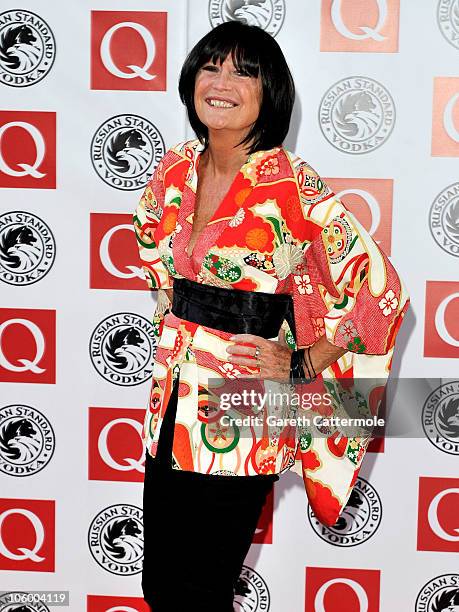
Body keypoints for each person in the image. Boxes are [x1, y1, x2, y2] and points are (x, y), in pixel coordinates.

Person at [133, 20, 409, 612]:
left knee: (201, 591)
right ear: (191, 82)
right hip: (169, 400)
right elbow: (157, 261)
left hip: (244, 405)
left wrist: (306, 359)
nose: (221, 81)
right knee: (160, 586)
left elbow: (378, 286)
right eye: (211, 66)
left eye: (243, 71)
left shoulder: (294, 185)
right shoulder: (176, 169)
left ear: (270, 92)